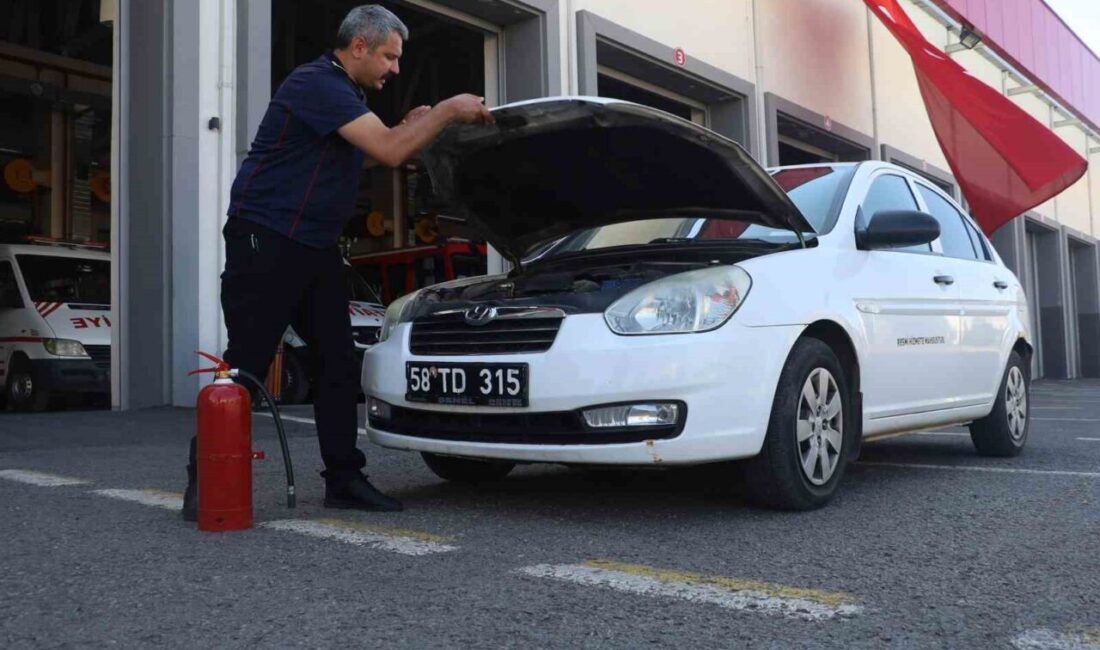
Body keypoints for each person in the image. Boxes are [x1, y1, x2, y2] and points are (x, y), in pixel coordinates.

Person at [182, 4, 494, 520]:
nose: (395, 69)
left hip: (314, 247)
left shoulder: (345, 96)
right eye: (390, 57)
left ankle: (344, 478)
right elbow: (392, 153)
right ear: (358, 47)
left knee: (337, 364)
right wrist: (444, 111)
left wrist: (405, 125)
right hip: (268, 239)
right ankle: (206, 478)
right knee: (248, 364)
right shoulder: (317, 83)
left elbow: (373, 149)